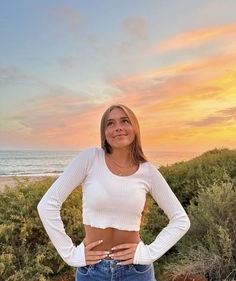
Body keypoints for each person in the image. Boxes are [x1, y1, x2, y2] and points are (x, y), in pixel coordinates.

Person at [37, 104, 190, 281]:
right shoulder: (90, 159)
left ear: (135, 127)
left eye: (124, 121)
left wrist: (148, 254)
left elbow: (180, 220)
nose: (118, 127)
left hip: (135, 271)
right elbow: (47, 205)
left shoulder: (148, 172)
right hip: (91, 271)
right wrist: (70, 255)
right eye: (110, 123)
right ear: (104, 132)